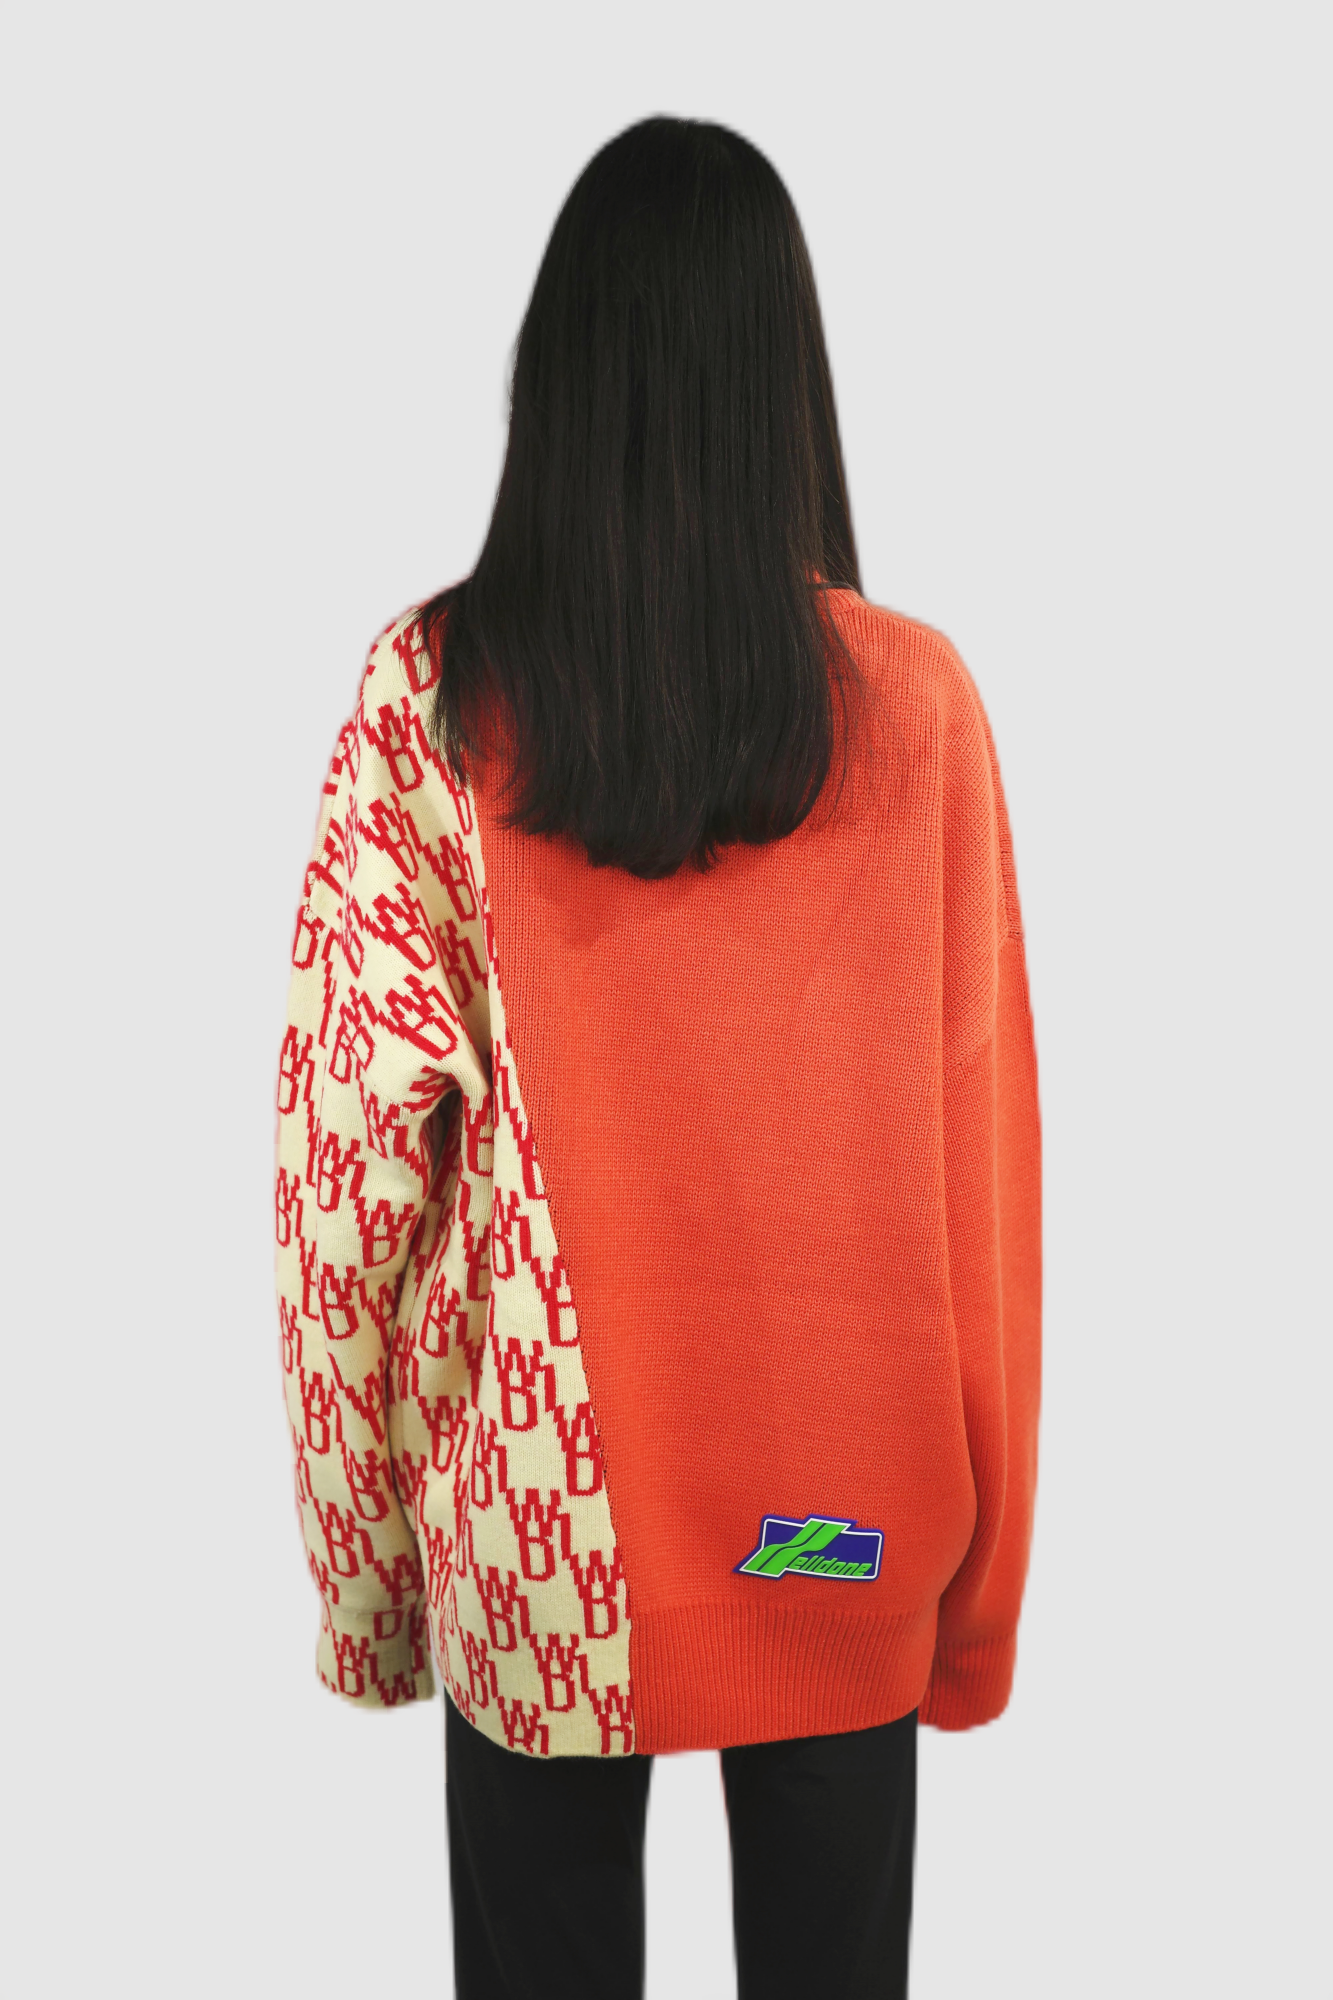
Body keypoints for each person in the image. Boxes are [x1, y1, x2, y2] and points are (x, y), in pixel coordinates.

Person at [273, 114, 1041, 2000]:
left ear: (558, 379)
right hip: (835, 1533)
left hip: (545, 1546)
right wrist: (974, 1609)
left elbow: (339, 1192)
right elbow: (987, 1188)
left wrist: (372, 1593)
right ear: (787, 383)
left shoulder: (432, 697)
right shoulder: (921, 705)